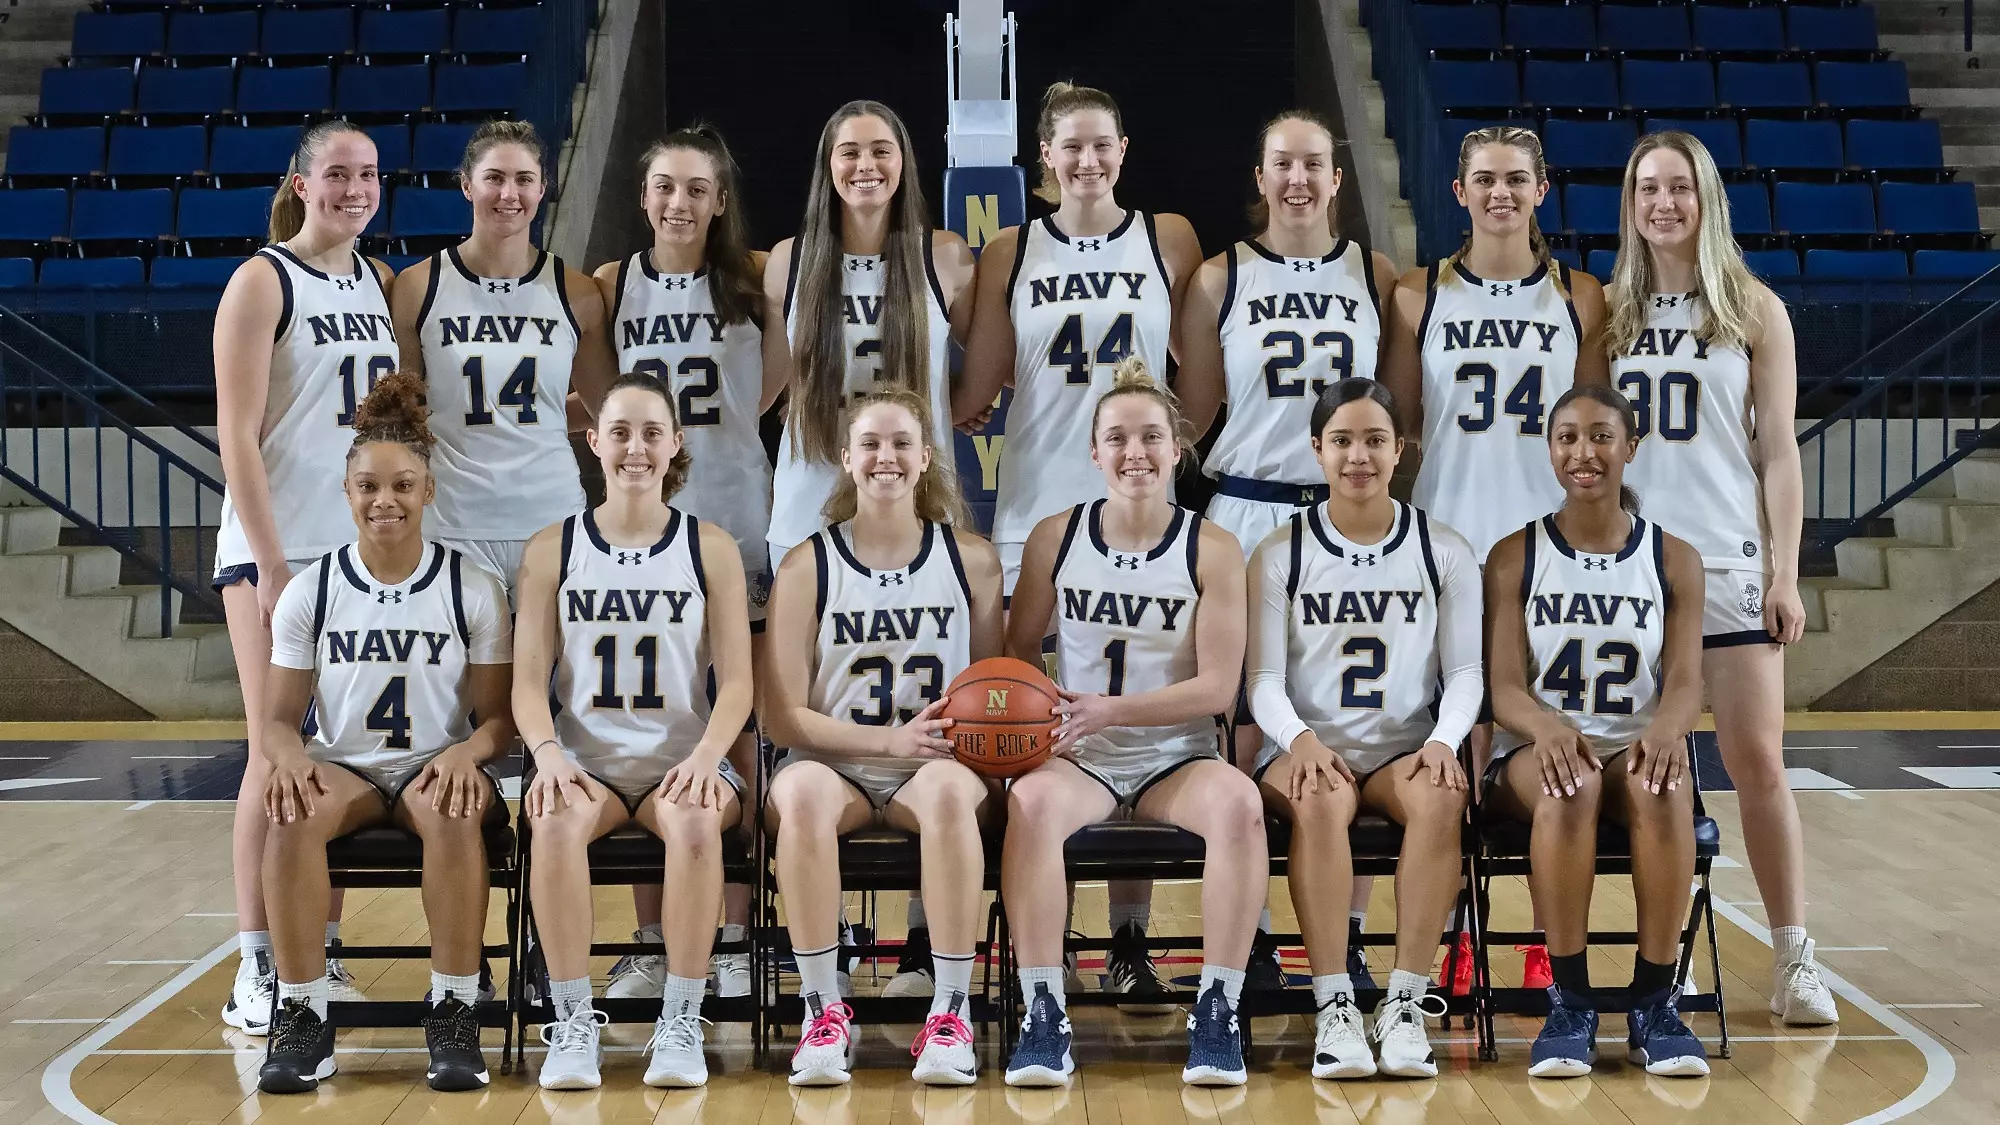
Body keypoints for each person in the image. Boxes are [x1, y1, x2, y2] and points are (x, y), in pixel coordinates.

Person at [953, 79, 1203, 1009]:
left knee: (1135, 714)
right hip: (1034, 510)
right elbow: (980, 383)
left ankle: (1130, 936)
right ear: (1046, 159)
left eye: (1103, 145)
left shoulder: (1168, 238)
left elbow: (1199, 383)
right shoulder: (1010, 250)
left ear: (1123, 151)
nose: (1089, 160)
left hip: (1141, 510)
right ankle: (1038, 942)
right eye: (1072, 147)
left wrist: (1159, 455)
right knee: (1028, 726)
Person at [1607, 131, 1835, 1027]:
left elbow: (1779, 451)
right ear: (1630, 204)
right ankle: (1646, 967)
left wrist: (1787, 571)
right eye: (1647, 188)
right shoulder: (1608, 311)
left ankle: (1794, 956)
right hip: (1629, 572)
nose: (1663, 203)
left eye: (1679, 188)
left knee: (1757, 763)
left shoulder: (1752, 307)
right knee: (1642, 773)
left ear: (1706, 199)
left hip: (1731, 562)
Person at [1380, 124, 1610, 989]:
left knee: (1542, 749)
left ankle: (1550, 940)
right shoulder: (1417, 294)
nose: (1500, 193)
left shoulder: (1581, 295)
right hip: (1448, 542)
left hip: (1548, 550)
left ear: (1541, 190)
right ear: (1460, 192)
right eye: (1485, 179)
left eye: (1517, 178)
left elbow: (1592, 427)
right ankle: (1451, 942)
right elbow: (1402, 426)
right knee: (1453, 757)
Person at [1178, 108, 1402, 993]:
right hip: (1248, 511)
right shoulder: (1218, 276)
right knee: (1239, 725)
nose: (1299, 180)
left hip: (1351, 516)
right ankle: (1256, 937)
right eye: (1283, 164)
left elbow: (1397, 410)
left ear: (1337, 178)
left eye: (1314, 164)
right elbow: (1198, 412)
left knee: (1348, 718)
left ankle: (1345, 939)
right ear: (1261, 178)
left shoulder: (1374, 274)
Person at [1000, 358, 1267, 1089]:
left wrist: (1108, 708)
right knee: (1030, 803)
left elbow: (1217, 688)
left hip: (1175, 755)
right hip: (1081, 755)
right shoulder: (1055, 537)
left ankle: (1217, 1008)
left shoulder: (1211, 545)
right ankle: (1043, 1009)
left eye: (1151, 436)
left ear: (1177, 449)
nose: (1135, 452)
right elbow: (1018, 649)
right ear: (1094, 452)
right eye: (1116, 438)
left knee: (1240, 805)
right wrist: (1044, 712)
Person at [253, 374, 515, 1094]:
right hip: (348, 767)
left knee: (455, 809)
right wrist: (286, 759)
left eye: (402, 485)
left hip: (437, 763)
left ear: (428, 490)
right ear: (346, 491)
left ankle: (454, 1006)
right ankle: (301, 1011)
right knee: (290, 812)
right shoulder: (313, 590)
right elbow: (277, 721)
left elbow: (499, 720)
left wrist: (467, 752)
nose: (384, 500)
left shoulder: (472, 587)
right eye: (368, 486)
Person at [511, 372, 755, 1090]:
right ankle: (572, 1022)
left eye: (652, 433)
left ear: (676, 443)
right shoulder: (551, 548)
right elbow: (526, 683)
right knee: (552, 824)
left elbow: (738, 683)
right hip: (583, 762)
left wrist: (707, 756)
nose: (636, 449)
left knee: (698, 824)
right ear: (594, 442)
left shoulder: (711, 546)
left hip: (682, 756)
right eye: (620, 433)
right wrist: (547, 754)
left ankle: (681, 1020)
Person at [760, 389, 1005, 1087]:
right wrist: (887, 743)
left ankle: (950, 1011)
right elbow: (783, 717)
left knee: (952, 795)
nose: (885, 457)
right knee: (800, 796)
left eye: (901, 443)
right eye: (869, 443)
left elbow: (992, 690)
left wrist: (965, 740)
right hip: (832, 762)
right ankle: (822, 1009)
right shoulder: (807, 565)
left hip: (935, 766)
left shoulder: (973, 561)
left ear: (927, 458)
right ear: (846, 458)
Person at [211, 119, 395, 1035]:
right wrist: (272, 562)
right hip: (276, 553)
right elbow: (236, 434)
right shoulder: (262, 279)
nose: (355, 188)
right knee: (271, 751)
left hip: (355, 560)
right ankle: (255, 967)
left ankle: (311, 955)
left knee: (332, 763)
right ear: (301, 183)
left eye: (369, 174)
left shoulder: (378, 281)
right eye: (338, 173)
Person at [1245, 378, 1481, 1079]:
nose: (1358, 456)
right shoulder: (1280, 552)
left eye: (1375, 440)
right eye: (1342, 441)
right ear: (1316, 449)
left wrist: (1442, 741)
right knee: (1317, 797)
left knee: (1443, 794)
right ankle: (1336, 1003)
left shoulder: (1443, 548)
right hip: (1309, 746)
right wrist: (1300, 740)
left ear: (1399, 449)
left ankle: (1405, 1002)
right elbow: (1262, 681)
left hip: (1404, 749)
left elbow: (1466, 673)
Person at [1484, 385, 1709, 1079]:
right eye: (1568, 437)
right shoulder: (1514, 554)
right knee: (1569, 785)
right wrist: (1545, 726)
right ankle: (1571, 1002)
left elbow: (1685, 680)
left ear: (1631, 447)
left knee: (1663, 788)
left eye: (1602, 436)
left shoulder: (1674, 557)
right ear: (1550, 449)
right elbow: (1503, 687)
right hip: (1535, 753)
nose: (1584, 452)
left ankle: (1655, 1002)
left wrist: (1668, 728)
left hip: (1632, 744)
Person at [594, 125, 768, 1006]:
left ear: (720, 200)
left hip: (737, 516)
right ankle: (651, 939)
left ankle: (733, 934)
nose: (680, 203)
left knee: (736, 730)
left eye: (698, 188)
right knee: (645, 721)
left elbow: (777, 381)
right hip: (640, 528)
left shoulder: (757, 279)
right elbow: (599, 398)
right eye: (665, 186)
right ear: (643, 195)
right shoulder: (610, 284)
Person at [390, 120, 617, 597]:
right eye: (494, 177)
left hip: (552, 515)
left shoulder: (577, 292)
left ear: (542, 188)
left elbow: (607, 411)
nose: (508, 194)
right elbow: (406, 415)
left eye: (523, 179)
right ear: (466, 185)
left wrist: (544, 417)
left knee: (550, 650)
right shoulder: (418, 287)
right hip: (454, 521)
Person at [763, 99, 976, 572]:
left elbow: (991, 364)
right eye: (850, 152)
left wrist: (949, 409)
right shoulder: (788, 262)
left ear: (903, 162)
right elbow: (771, 384)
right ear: (828, 164)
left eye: (881, 151)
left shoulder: (945, 257)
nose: (866, 165)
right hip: (808, 506)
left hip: (919, 505)